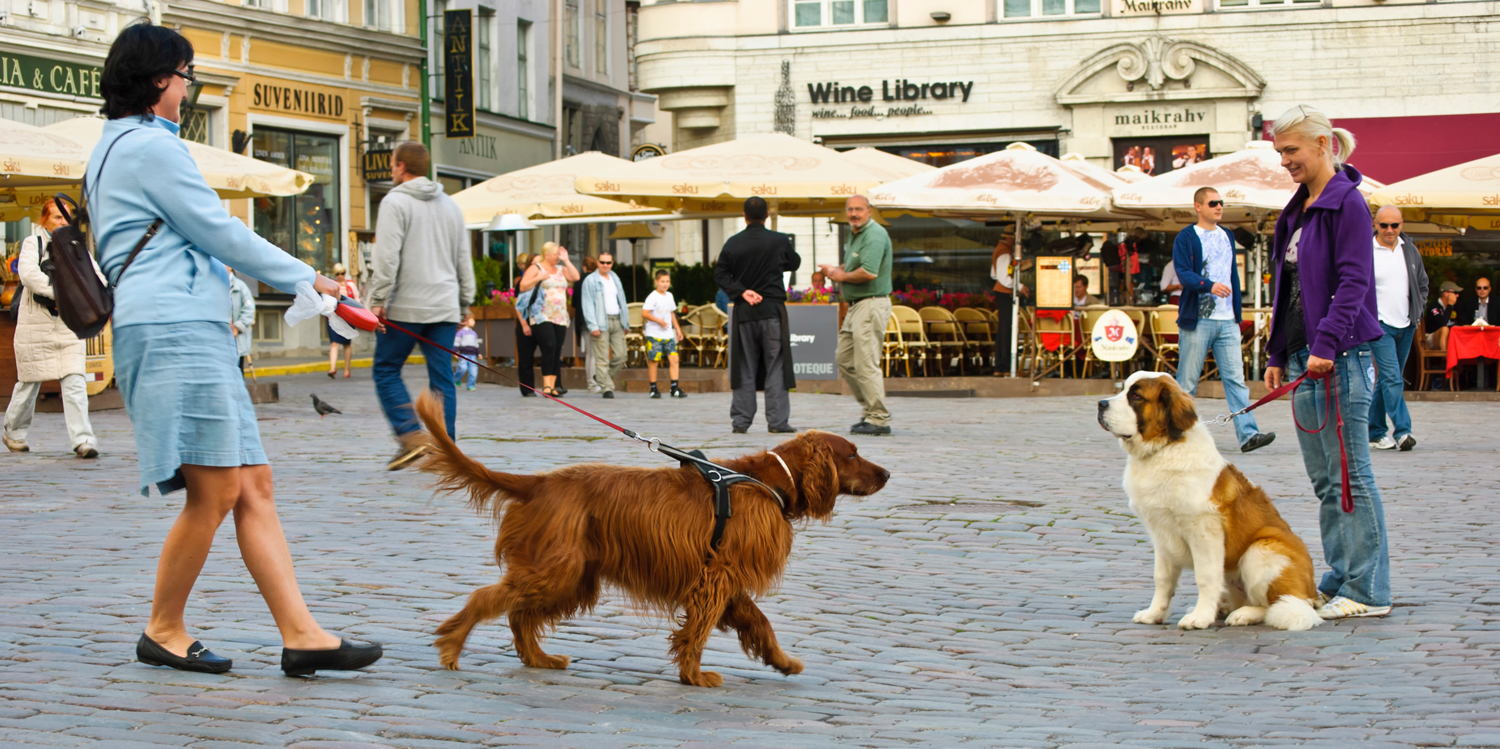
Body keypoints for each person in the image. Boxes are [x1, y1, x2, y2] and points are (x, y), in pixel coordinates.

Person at [91, 23, 380, 674]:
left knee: (253, 484)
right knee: (218, 488)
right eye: (186, 75)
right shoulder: (150, 149)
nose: (189, 89)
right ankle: (163, 626)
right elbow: (219, 231)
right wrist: (312, 278)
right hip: (174, 328)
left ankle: (301, 632)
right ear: (160, 78)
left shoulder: (115, 147)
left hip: (179, 325)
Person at [1265, 104, 1390, 620]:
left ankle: (1367, 591)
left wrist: (1326, 345)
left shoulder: (1347, 204)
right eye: (1279, 152)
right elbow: (1287, 287)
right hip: (1304, 359)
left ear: (1323, 145)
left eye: (1291, 150)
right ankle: (1341, 577)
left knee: (1351, 476)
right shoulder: (1297, 208)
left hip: (1341, 355)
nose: (1284, 161)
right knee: (1325, 481)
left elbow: (1354, 281)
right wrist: (1278, 351)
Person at [368, 142, 474, 470]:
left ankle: (411, 435)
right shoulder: (450, 205)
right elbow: (462, 258)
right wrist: (465, 303)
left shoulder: (394, 202)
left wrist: (376, 299)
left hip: (406, 305)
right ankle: (447, 452)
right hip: (444, 306)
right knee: (442, 378)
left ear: (401, 166)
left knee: (386, 368)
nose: (391, 170)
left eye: (392, 165)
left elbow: (386, 258)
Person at [1174, 186, 1275, 454]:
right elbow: (1183, 274)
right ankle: (1176, 435)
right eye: (1213, 203)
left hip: (1228, 319)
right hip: (1198, 320)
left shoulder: (1228, 235)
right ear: (1198, 207)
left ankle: (1248, 435)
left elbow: (1232, 274)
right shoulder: (1186, 237)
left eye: (1221, 203)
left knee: (1236, 381)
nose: (1219, 207)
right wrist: (1209, 285)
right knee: (1187, 382)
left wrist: (1237, 313)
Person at [3, 199, 101, 458]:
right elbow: (29, 275)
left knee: (75, 380)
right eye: (57, 217)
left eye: (66, 218)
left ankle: (83, 440)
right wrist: (62, 293)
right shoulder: (32, 243)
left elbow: (95, 275)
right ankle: (13, 432)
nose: (62, 222)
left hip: (68, 324)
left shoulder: (78, 247)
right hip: (36, 324)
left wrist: (99, 295)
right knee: (29, 383)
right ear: (43, 220)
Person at [714, 196, 799, 433]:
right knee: (776, 367)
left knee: (744, 367)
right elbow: (795, 263)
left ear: (744, 216)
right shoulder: (779, 241)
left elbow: (719, 275)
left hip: (744, 313)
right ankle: (778, 422)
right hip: (772, 311)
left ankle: (741, 422)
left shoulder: (733, 243)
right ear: (767, 215)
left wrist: (742, 291)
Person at [821, 195, 892, 436]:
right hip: (857, 305)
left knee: (866, 363)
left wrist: (840, 276)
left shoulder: (874, 234)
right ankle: (871, 409)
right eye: (850, 209)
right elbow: (854, 267)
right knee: (845, 358)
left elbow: (869, 272)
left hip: (871, 304)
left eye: (859, 209)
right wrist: (836, 269)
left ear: (869, 211)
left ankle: (879, 418)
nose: (854, 213)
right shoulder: (857, 233)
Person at [1367, 206, 1427, 452]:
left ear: (1402, 224)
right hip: (1379, 325)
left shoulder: (1410, 250)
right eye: (1384, 225)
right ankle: (1403, 432)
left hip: (1406, 324)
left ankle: (1375, 431)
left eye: (1394, 225)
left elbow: (1422, 284)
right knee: (1392, 378)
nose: (1389, 230)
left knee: (1387, 380)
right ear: (1375, 224)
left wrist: (1418, 312)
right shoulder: (1366, 250)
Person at [518, 241, 579, 397]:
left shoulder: (560, 268)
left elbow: (575, 276)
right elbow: (523, 286)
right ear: (547, 255)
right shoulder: (536, 268)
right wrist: (539, 277)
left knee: (556, 348)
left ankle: (552, 386)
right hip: (541, 314)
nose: (558, 257)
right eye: (556, 254)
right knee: (549, 345)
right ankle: (546, 386)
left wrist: (566, 259)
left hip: (559, 315)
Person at [581, 250, 629, 398]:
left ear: (612, 263)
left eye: (608, 262)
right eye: (602, 262)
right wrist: (592, 325)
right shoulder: (590, 280)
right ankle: (607, 388)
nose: (605, 265)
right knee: (601, 357)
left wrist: (625, 322)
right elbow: (587, 304)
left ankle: (602, 377)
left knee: (621, 356)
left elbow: (622, 300)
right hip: (601, 322)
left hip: (617, 320)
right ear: (597, 263)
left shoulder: (615, 278)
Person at [988, 226, 1029, 376]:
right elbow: (1004, 278)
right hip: (1005, 293)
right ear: (1011, 239)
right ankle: (1004, 366)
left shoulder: (1000, 250)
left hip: (1002, 292)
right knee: (1006, 330)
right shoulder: (1005, 253)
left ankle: (1001, 366)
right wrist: (1020, 285)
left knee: (1004, 330)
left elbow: (994, 274)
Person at [641, 269, 686, 399]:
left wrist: (677, 329)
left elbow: (671, 313)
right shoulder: (652, 297)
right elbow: (644, 313)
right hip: (654, 334)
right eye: (662, 281)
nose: (665, 284)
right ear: (656, 282)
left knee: (674, 359)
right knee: (654, 360)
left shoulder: (670, 296)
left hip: (668, 334)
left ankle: (674, 387)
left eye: (667, 281)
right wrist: (658, 321)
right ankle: (653, 388)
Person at [512, 253, 540, 397]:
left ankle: (552, 386)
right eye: (534, 264)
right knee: (525, 357)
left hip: (541, 320)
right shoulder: (522, 283)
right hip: (526, 321)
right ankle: (527, 388)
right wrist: (524, 324)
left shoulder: (546, 281)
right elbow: (518, 305)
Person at [326, 263, 358, 378]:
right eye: (337, 274)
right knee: (334, 343)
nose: (340, 276)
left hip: (348, 317)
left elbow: (357, 298)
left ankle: (346, 370)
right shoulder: (331, 285)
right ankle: (332, 368)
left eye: (342, 273)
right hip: (334, 317)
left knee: (346, 344)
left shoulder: (350, 285)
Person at [574, 255, 599, 392]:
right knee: (595, 353)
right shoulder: (596, 281)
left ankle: (591, 382)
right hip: (596, 320)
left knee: (590, 353)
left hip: (583, 321)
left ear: (584, 267)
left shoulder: (579, 281)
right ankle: (593, 383)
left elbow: (573, 303)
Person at [228, 267, 255, 373]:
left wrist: (237, 327)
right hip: (220, 336)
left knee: (237, 371)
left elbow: (249, 310)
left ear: (230, 267)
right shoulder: (214, 286)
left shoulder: (240, 286)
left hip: (237, 337)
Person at [1423, 281, 1461, 352]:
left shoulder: (1455, 307)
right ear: (1446, 293)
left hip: (1449, 337)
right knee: (1444, 329)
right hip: (1431, 338)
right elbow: (1442, 323)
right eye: (1455, 293)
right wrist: (1449, 305)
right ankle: (1445, 359)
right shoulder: (1434, 307)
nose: (1457, 295)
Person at [452, 318, 480, 391]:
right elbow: (456, 342)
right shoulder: (460, 332)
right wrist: (456, 352)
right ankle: (456, 378)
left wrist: (479, 353)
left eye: (474, 320)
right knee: (463, 368)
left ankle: (470, 385)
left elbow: (476, 344)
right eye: (472, 320)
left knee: (473, 371)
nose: (474, 322)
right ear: (466, 321)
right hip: (463, 354)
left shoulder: (474, 333)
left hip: (473, 355)